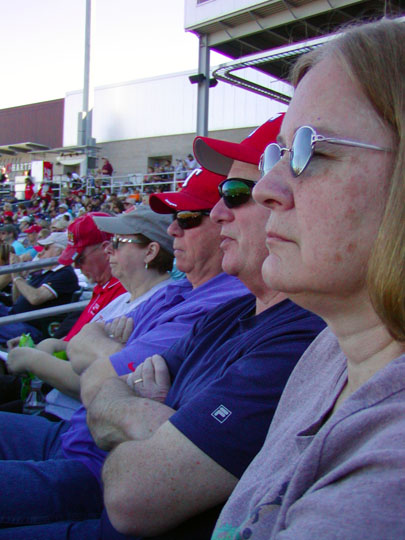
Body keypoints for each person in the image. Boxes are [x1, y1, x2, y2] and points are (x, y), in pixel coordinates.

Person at [210, 18, 405, 540]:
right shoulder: (329, 352)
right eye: (280, 151)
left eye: (309, 150)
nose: (266, 188)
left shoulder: (387, 488)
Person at [0, 167, 248, 531]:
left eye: (188, 218)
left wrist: (102, 353)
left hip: (94, 468)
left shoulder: (220, 303)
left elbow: (100, 371)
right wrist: (104, 349)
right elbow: (86, 344)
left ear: (227, 222)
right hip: (72, 434)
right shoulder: (180, 291)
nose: (172, 229)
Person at [6, 206, 175, 420]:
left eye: (118, 243)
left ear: (150, 252)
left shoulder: (161, 305)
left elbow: (109, 381)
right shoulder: (124, 298)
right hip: (55, 405)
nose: (108, 250)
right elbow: (84, 351)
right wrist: (57, 345)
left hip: (71, 421)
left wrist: (33, 360)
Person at [0, 232, 79, 344]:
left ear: (60, 251)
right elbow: (16, 300)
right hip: (16, 317)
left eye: (46, 248)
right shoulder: (44, 272)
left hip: (31, 329)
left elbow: (35, 298)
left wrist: (17, 276)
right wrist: (17, 276)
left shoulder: (64, 274)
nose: (41, 252)